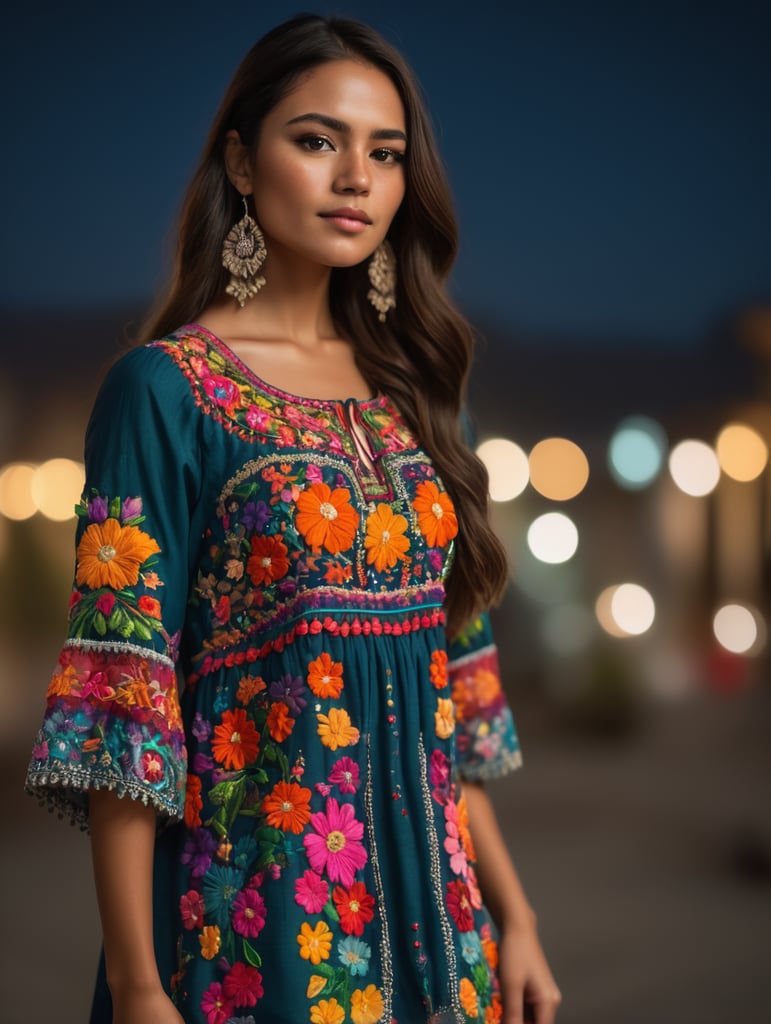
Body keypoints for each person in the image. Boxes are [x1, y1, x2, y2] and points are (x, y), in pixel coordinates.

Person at [26, 14, 561, 1024]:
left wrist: (517, 916)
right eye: (318, 140)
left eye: (386, 153)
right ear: (240, 158)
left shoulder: (420, 403)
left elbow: (450, 707)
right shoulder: (168, 392)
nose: (356, 176)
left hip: (448, 946)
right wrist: (140, 985)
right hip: (258, 938)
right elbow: (122, 708)